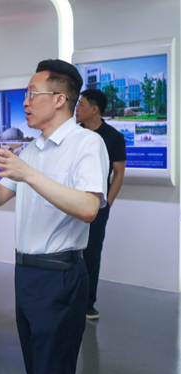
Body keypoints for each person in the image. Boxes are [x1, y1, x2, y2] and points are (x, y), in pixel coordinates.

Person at [0, 59, 108, 374]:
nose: (25, 102)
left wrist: (28, 174)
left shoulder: (86, 144)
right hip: (26, 274)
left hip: (60, 275)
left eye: (32, 94)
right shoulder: (31, 149)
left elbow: (88, 208)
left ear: (59, 99)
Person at [76, 89, 126, 320]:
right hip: (70, 201)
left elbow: (118, 173)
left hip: (97, 205)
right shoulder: (74, 134)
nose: (77, 109)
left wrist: (108, 203)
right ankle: (68, 299)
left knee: (92, 252)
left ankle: (87, 303)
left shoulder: (113, 137)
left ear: (94, 109)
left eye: (81, 104)